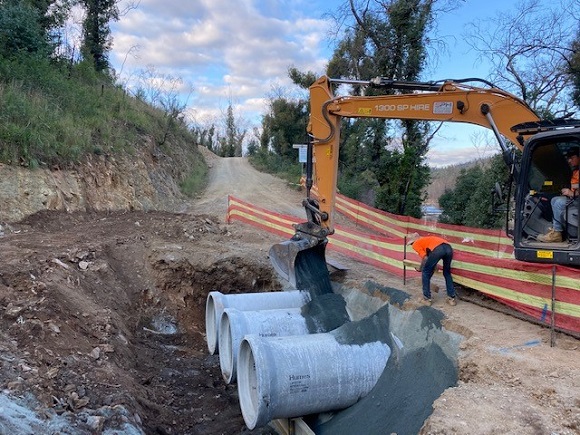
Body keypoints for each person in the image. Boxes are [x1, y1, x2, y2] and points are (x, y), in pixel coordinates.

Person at [537, 147, 580, 243]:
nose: (569, 161)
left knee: (558, 202)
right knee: (554, 200)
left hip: (577, 201)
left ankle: (557, 234)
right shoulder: (575, 171)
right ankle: (557, 230)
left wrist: (571, 193)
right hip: (575, 199)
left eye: (572, 157)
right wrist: (568, 192)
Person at [407, 232, 456, 306]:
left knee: (425, 272)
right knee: (447, 272)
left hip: (438, 249)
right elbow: (431, 257)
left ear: (412, 242)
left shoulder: (415, 244)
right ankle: (451, 299)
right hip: (448, 248)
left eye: (411, 244)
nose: (411, 246)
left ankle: (426, 299)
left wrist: (421, 268)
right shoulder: (426, 240)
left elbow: (425, 258)